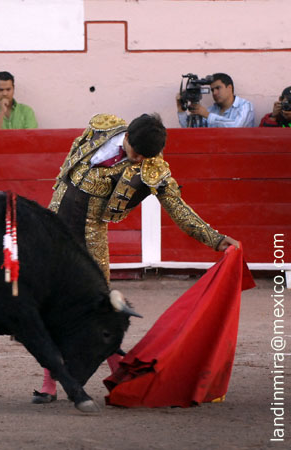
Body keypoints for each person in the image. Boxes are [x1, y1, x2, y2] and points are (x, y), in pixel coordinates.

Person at [32, 113, 239, 404]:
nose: (140, 160)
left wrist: (215, 239)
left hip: (89, 242)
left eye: (145, 157)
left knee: (98, 314)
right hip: (52, 231)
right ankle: (51, 383)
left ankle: (119, 376)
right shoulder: (100, 127)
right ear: (126, 136)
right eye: (137, 153)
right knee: (48, 304)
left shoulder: (152, 167)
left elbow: (178, 209)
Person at [176, 73, 254, 128]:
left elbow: (236, 126)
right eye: (212, 90)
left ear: (229, 88)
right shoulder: (212, 110)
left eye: (218, 88)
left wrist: (207, 114)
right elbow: (191, 129)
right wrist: (181, 109)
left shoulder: (245, 106)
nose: (214, 93)